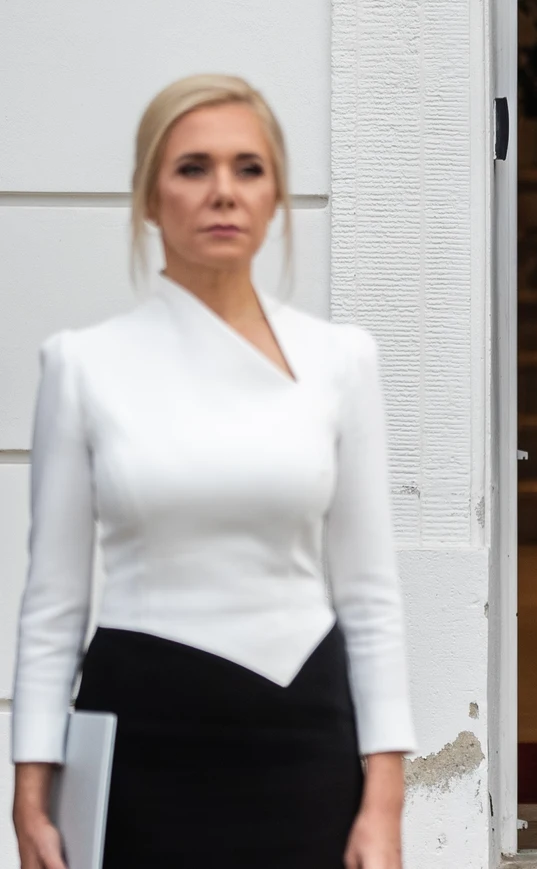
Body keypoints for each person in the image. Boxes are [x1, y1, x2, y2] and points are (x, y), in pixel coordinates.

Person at [9, 76, 414, 869]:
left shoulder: (342, 361)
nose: (223, 191)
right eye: (193, 167)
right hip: (138, 738)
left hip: (304, 734)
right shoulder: (83, 365)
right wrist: (29, 796)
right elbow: (52, 605)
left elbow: (371, 596)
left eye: (248, 168)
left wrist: (385, 799)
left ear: (275, 197)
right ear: (149, 198)